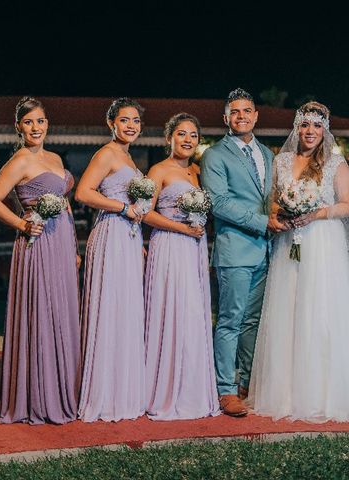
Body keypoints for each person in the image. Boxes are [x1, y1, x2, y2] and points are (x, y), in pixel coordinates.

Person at [248, 102, 349, 423]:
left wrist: (316, 213)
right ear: (296, 128)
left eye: (316, 125)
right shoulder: (283, 160)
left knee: (319, 312)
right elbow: (273, 201)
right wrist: (281, 214)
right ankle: (285, 393)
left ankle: (320, 394)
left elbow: (347, 206)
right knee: (289, 310)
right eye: (304, 125)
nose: (309, 131)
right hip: (290, 243)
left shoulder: (335, 163)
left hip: (322, 245)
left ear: (324, 129)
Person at [0, 96, 80, 424]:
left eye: (40, 121)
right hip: (37, 243)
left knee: (63, 311)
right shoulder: (20, 160)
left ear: (47, 124)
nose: (35, 127)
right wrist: (23, 223)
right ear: (19, 127)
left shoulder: (54, 157)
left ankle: (65, 389)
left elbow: (64, 202)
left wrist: (75, 248)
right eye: (28, 122)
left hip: (63, 241)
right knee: (41, 311)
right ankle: (37, 397)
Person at [201, 88, 285, 417]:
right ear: (226, 118)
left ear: (256, 115)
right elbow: (219, 203)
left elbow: (273, 196)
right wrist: (265, 221)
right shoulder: (215, 155)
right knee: (230, 321)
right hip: (235, 250)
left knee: (254, 322)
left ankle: (248, 382)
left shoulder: (267, 153)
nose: (242, 116)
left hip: (266, 252)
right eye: (235, 112)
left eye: (247, 111)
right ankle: (225, 389)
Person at [142, 113, 219, 420]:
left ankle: (193, 389)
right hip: (170, 245)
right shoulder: (158, 170)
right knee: (171, 311)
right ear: (169, 138)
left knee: (194, 313)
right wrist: (182, 228)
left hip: (195, 248)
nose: (187, 140)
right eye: (181, 134)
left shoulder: (199, 173)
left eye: (193, 135)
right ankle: (164, 390)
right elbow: (144, 213)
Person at [75, 98, 146, 422]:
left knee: (127, 309)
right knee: (109, 308)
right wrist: (121, 208)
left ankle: (124, 390)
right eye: (125, 120)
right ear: (111, 123)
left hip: (129, 238)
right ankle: (103, 393)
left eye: (135, 120)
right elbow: (83, 193)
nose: (131, 125)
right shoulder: (106, 153)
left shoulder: (127, 156)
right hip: (110, 234)